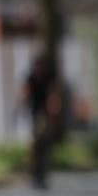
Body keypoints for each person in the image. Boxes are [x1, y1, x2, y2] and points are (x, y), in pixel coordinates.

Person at [21, 53, 62, 189]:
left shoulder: (49, 78)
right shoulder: (31, 78)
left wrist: (54, 115)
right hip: (35, 114)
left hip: (45, 114)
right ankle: (35, 174)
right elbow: (25, 94)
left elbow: (53, 97)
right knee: (35, 146)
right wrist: (19, 109)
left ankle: (42, 174)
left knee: (42, 145)